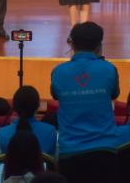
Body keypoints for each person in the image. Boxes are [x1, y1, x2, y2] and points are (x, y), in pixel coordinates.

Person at [50, 23, 119, 161]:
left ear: (72, 44)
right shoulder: (109, 69)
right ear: (99, 46)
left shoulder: (58, 72)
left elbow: (55, 95)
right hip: (106, 151)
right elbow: (114, 94)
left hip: (70, 152)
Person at [0, 86, 57, 158]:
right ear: (38, 106)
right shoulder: (51, 131)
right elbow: (54, 161)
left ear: (14, 106)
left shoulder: (2, 133)